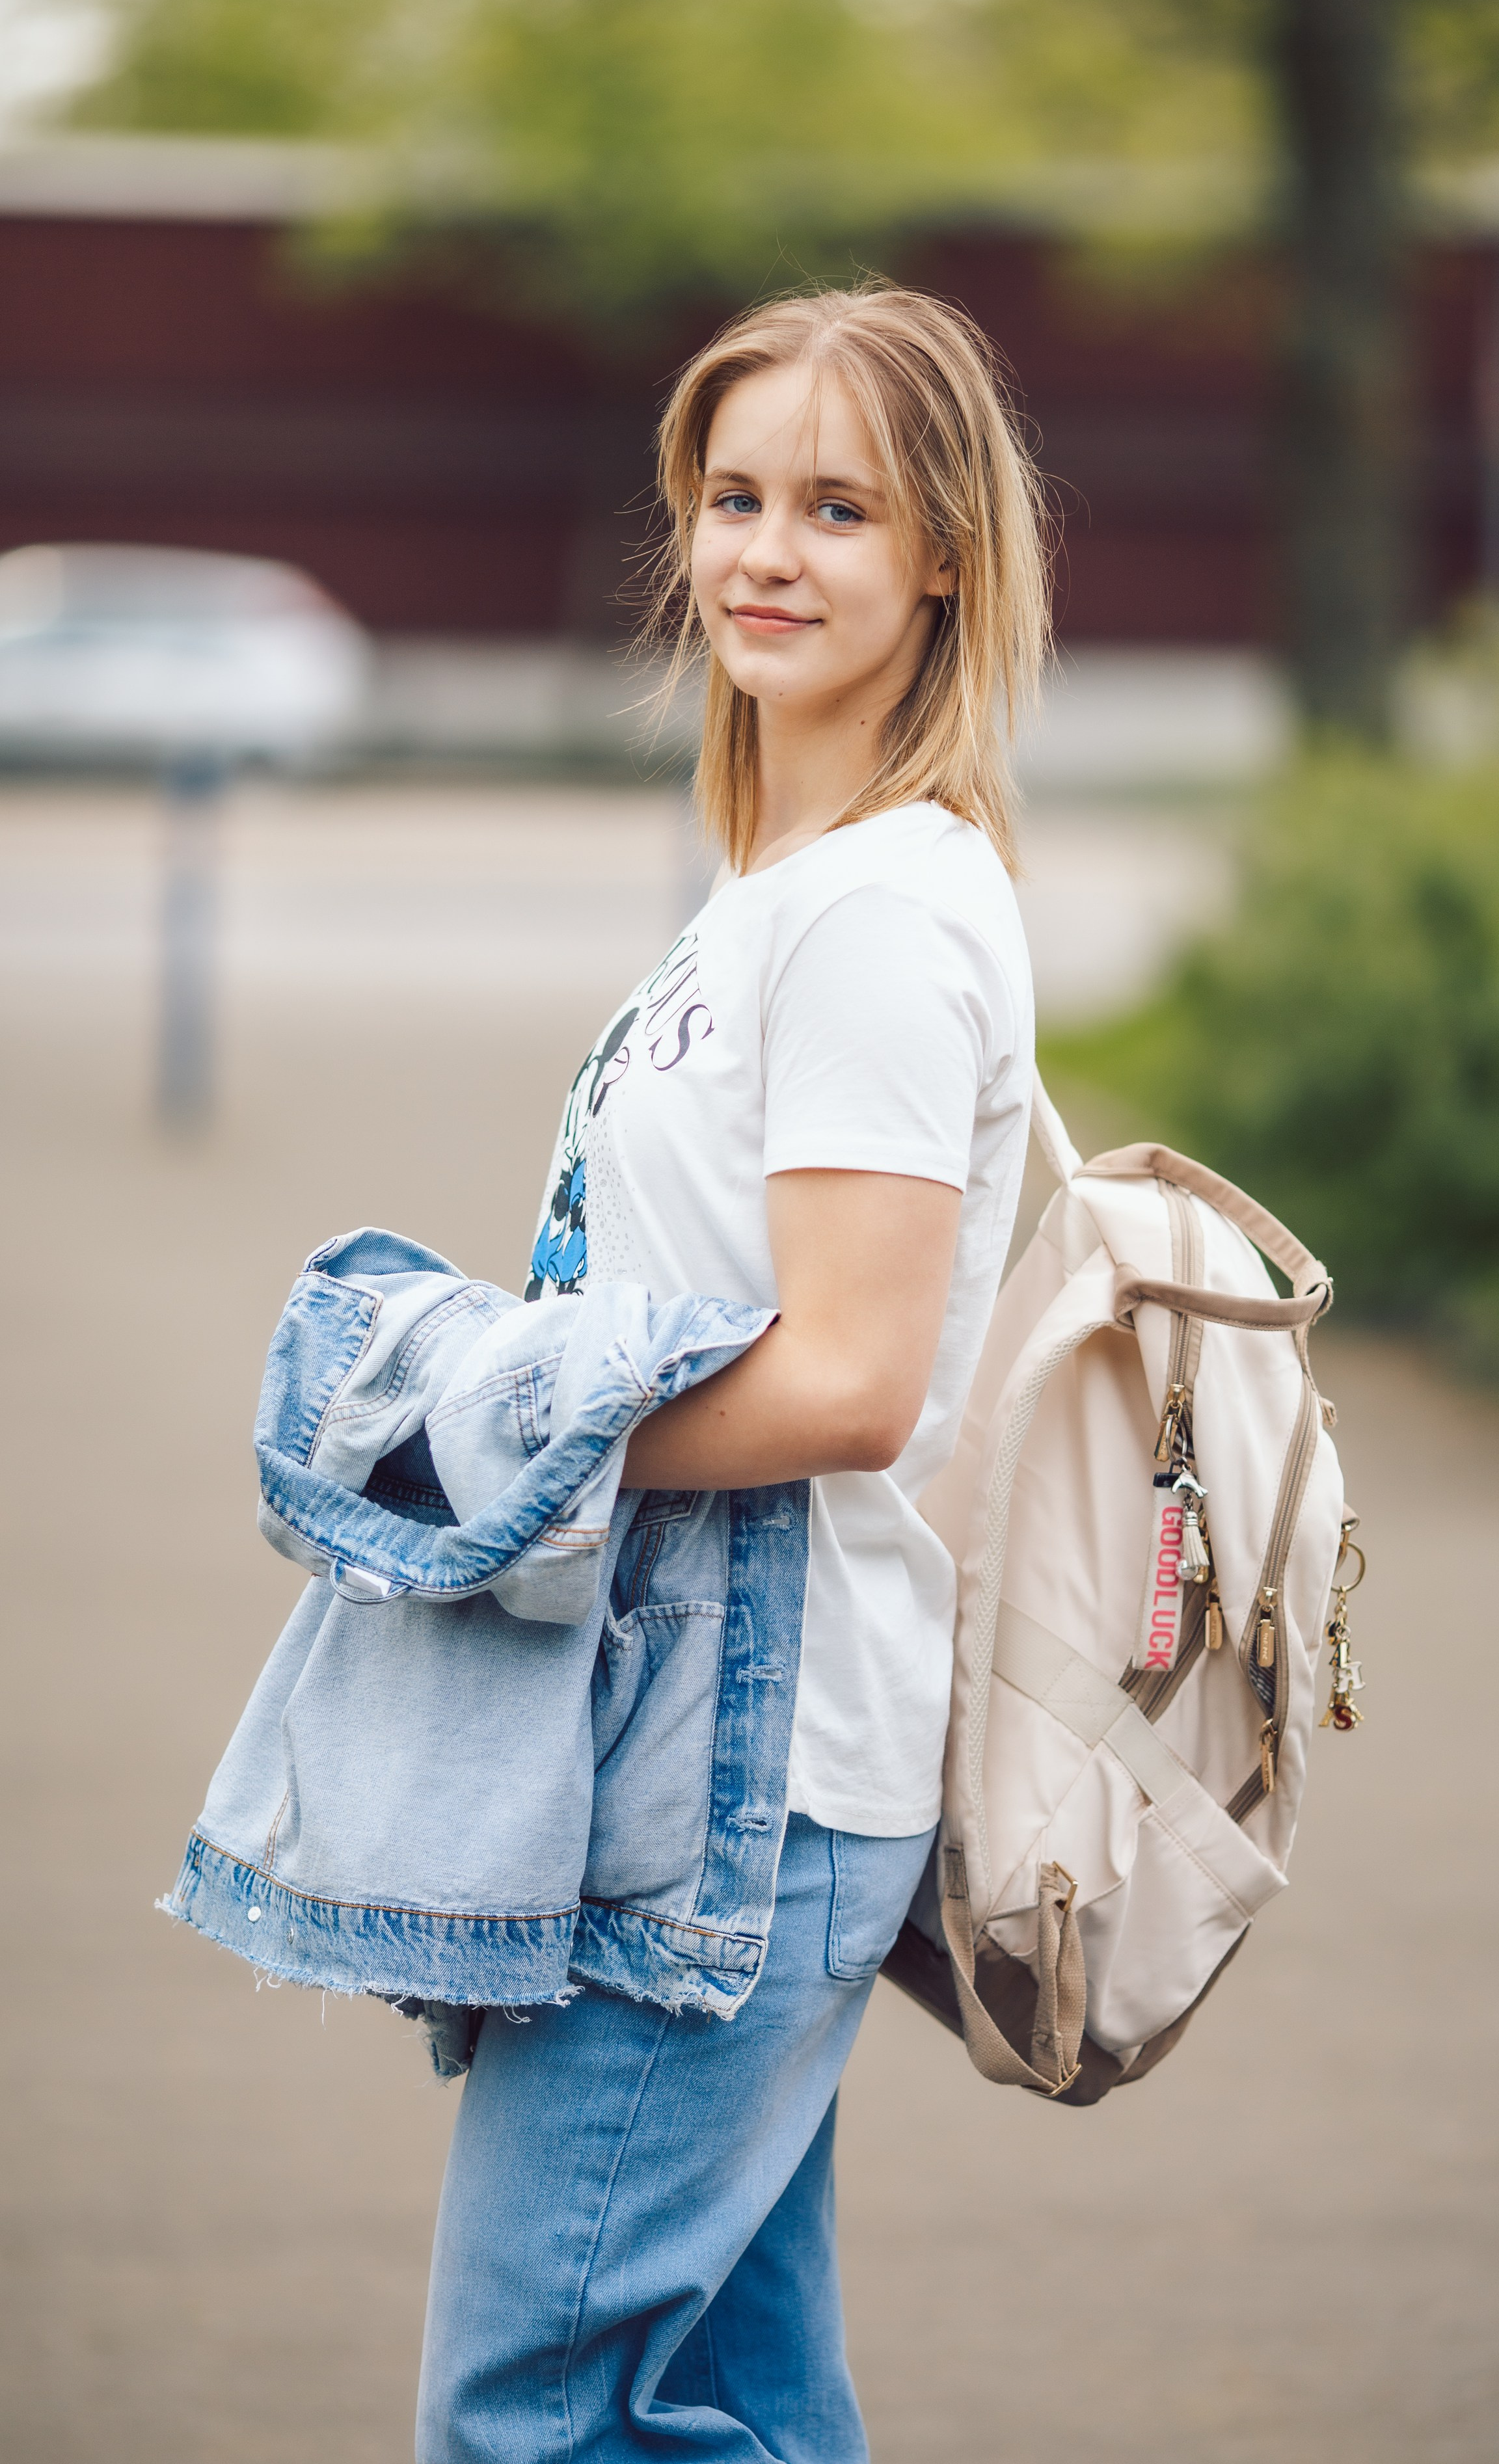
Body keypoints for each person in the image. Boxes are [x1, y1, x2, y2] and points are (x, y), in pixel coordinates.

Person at [417, 283, 1049, 2462]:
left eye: (841, 508)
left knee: (526, 2411)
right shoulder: (779, 891)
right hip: (702, 1738)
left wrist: (487, 1436)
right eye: (734, 497)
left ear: (945, 553)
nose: (767, 552)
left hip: (741, 1771)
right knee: (725, 2406)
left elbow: (856, 1379)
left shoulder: (881, 910)